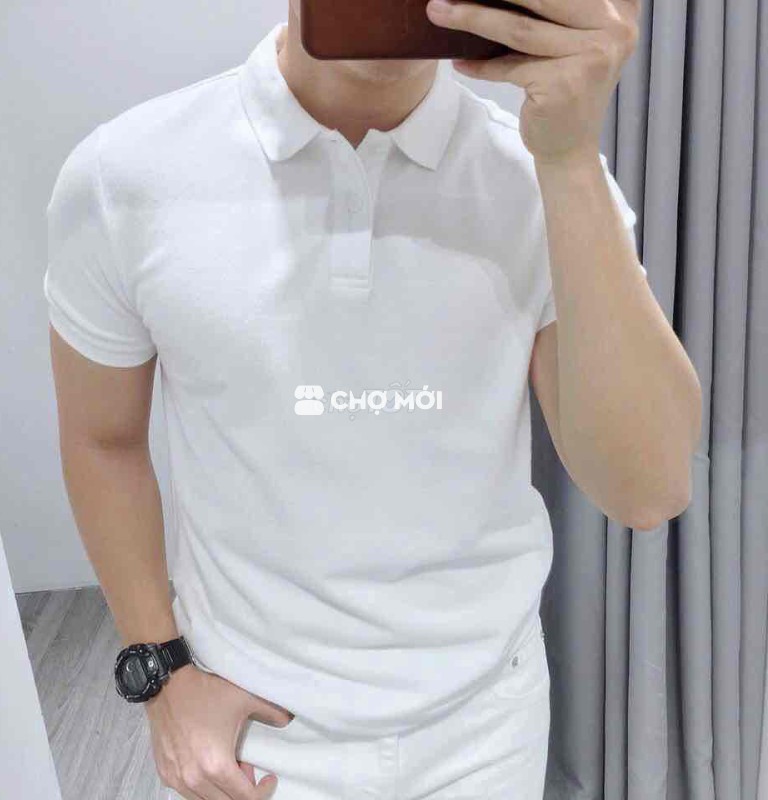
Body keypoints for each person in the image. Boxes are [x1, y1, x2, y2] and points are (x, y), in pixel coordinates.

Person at [45, 0, 700, 797]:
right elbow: (103, 440)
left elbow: (648, 488)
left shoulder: (537, 178)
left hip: (487, 725)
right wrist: (159, 673)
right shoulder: (126, 176)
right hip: (252, 731)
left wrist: (568, 160)